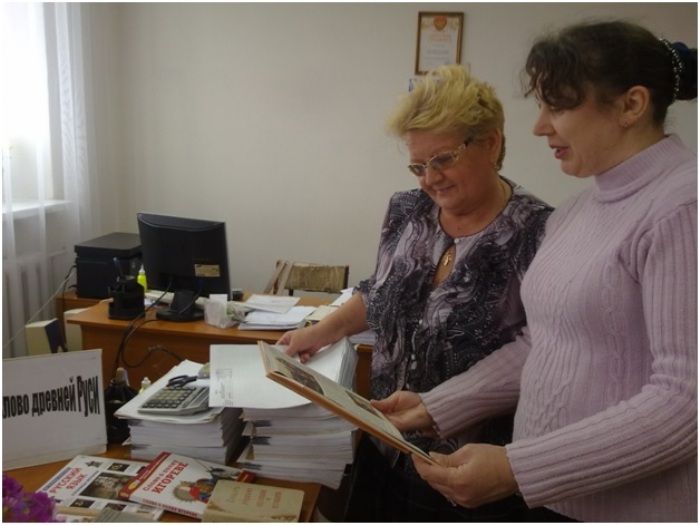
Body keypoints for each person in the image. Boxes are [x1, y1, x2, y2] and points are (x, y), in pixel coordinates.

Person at [374, 21, 697, 522]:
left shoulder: (681, 208)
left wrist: (518, 468)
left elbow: (685, 402)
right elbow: (541, 344)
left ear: (631, 105)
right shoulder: (578, 211)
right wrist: (439, 405)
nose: (540, 126)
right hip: (549, 499)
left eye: (558, 106)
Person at [278, 65, 552, 521]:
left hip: (467, 471)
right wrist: (318, 332)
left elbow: (542, 349)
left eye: (442, 159)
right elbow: (380, 291)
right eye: (418, 166)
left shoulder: (538, 232)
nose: (429, 178)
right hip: (384, 441)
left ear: (491, 143)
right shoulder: (407, 210)